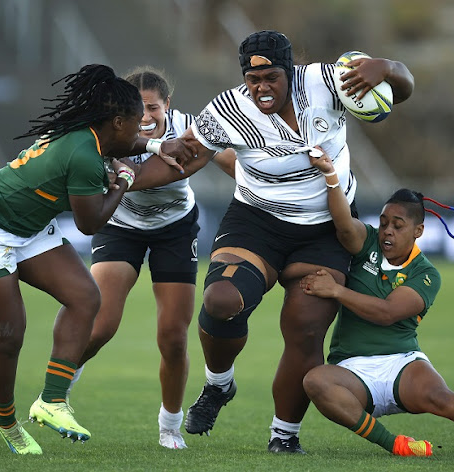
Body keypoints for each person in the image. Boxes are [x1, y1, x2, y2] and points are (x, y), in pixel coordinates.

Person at [157, 30, 415, 453]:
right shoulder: (228, 108)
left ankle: (284, 434)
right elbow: (181, 158)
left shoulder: (327, 81)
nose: (261, 87)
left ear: (290, 72)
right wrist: (123, 181)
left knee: (306, 331)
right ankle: (219, 384)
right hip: (256, 221)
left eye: (271, 77)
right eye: (252, 79)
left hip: (324, 228)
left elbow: (402, 87)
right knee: (221, 301)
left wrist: (386, 67)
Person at [0, 64, 188, 455]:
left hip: (27, 226)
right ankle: (5, 417)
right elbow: (91, 223)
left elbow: (123, 146)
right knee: (9, 336)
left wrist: (157, 147)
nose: (142, 128)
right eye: (135, 122)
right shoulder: (85, 156)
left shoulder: (90, 135)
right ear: (117, 121)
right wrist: (124, 181)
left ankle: (52, 401)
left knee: (86, 297)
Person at [299, 148, 454, 461]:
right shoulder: (368, 243)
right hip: (351, 368)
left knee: (442, 398)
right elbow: (344, 224)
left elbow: (387, 313)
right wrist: (330, 175)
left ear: (418, 231)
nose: (388, 230)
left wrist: (337, 291)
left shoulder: (426, 274)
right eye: (384, 221)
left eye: (398, 225)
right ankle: (397, 445)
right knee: (315, 382)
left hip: (401, 363)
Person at [66, 67, 235, 450]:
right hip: (121, 225)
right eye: (137, 108)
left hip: (175, 229)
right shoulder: (111, 131)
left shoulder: (189, 128)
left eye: (153, 108)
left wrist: (260, 179)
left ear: (168, 106)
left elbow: (225, 157)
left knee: (173, 338)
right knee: (100, 325)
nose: (145, 116)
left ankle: (170, 427)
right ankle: (60, 385)